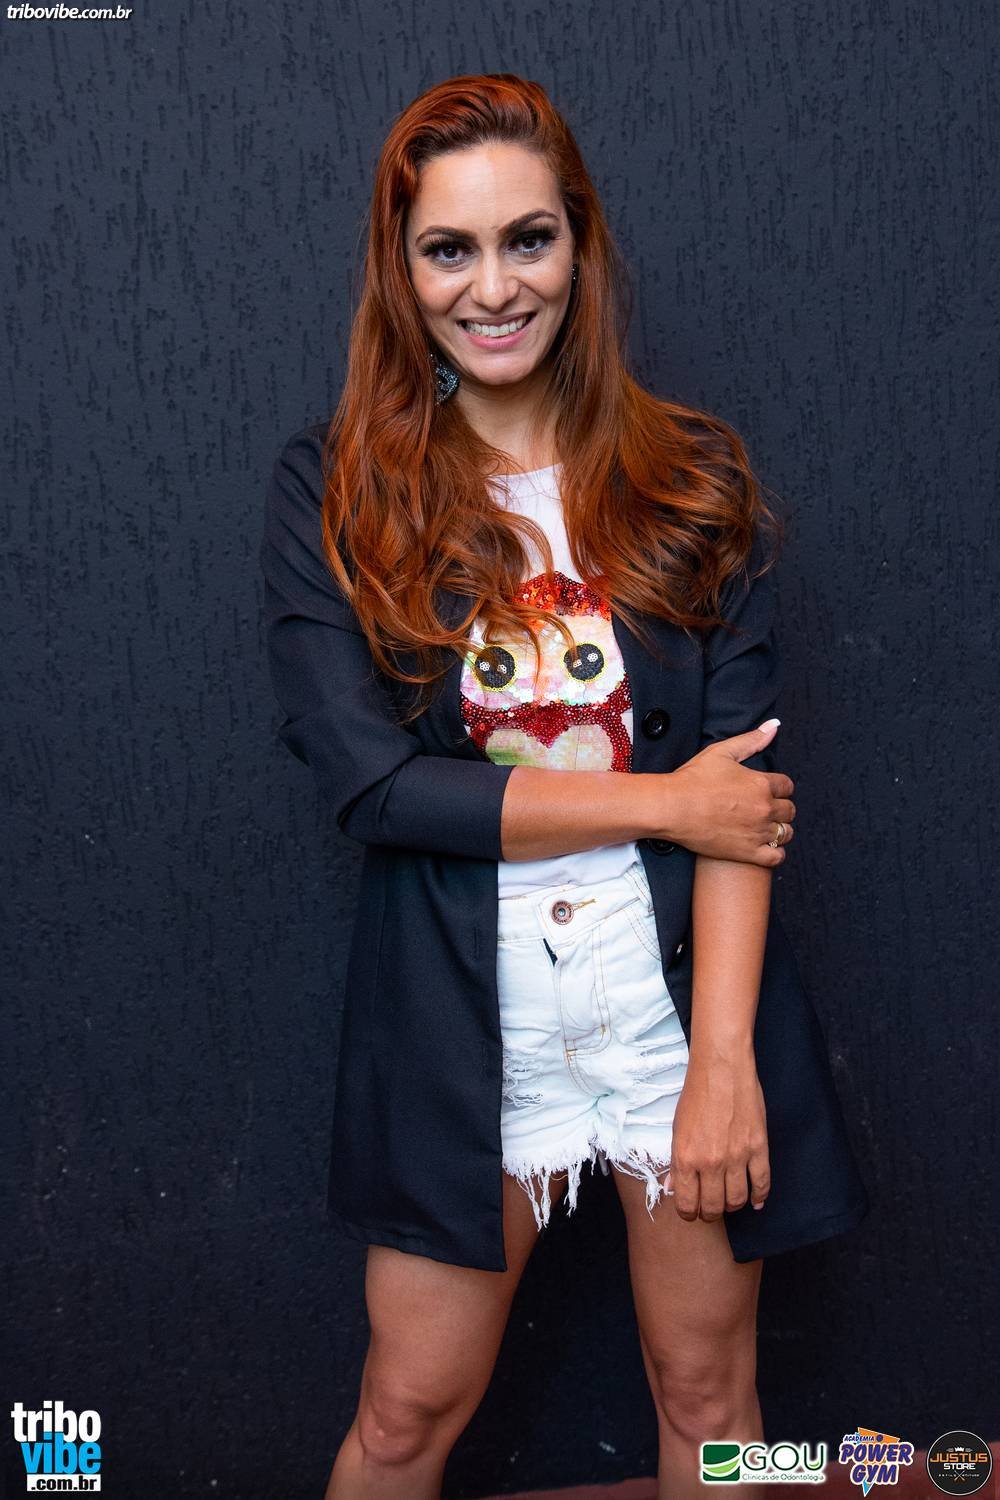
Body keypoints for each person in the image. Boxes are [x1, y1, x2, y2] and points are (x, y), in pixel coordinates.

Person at [259, 72, 869, 1500]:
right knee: (404, 1413)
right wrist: (662, 802)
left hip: (671, 1014)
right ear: (400, 270)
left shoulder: (692, 477)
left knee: (712, 1401)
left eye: (528, 239)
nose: (494, 289)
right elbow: (374, 788)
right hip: (472, 1025)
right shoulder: (338, 489)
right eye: (449, 250)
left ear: (579, 244)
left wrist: (723, 1065)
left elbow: (744, 799)